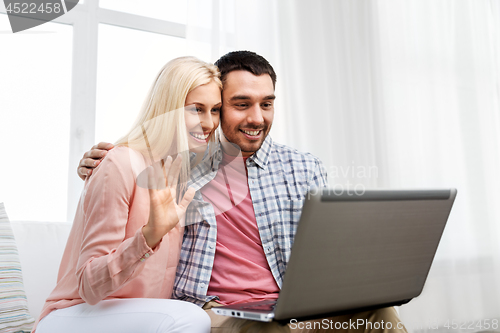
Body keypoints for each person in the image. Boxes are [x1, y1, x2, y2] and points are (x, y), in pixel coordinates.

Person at [78, 51, 408, 333]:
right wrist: (96, 162)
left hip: (291, 306)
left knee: (381, 314)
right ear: (218, 106)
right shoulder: (184, 163)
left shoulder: (304, 167)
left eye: (266, 104)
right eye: (241, 104)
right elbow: (136, 161)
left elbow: (325, 253)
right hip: (222, 312)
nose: (256, 118)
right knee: (262, 327)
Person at [35, 56, 224, 333]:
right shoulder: (119, 163)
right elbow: (88, 284)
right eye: (196, 109)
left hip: (140, 317)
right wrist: (149, 236)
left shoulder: (184, 172)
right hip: (75, 314)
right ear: (167, 109)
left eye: (215, 110)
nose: (209, 123)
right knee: (190, 318)